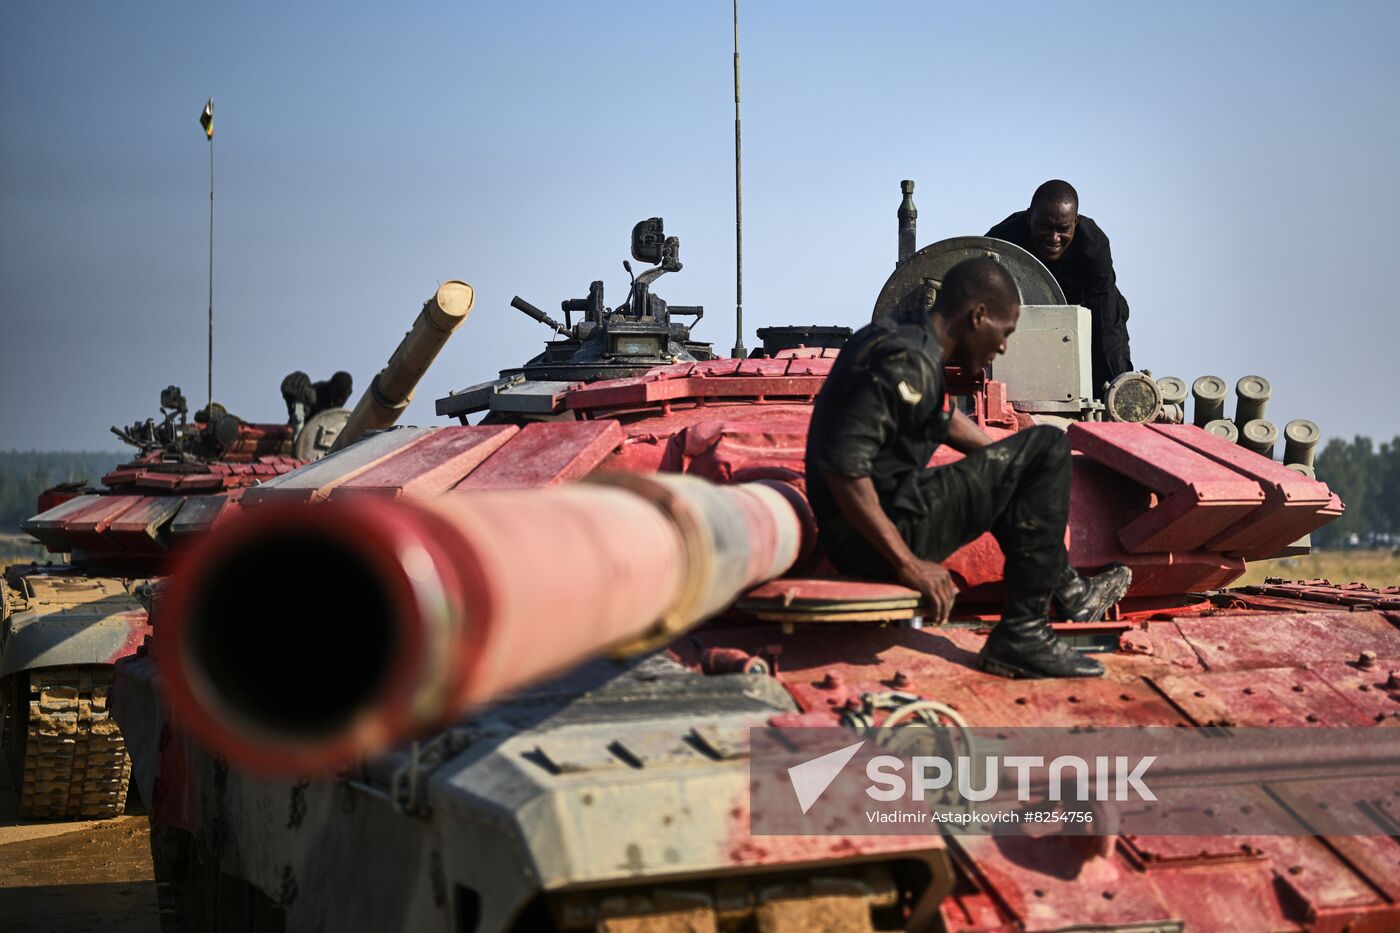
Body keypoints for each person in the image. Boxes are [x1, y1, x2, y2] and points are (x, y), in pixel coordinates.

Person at [805, 257, 1130, 679]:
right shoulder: (908, 361)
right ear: (978, 316)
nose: (1003, 348)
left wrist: (1013, 462)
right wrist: (908, 564)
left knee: (1031, 456)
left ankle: (1068, 592)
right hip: (876, 537)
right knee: (1049, 443)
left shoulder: (904, 339)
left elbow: (938, 419)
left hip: (882, 518)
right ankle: (1025, 635)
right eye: (1004, 332)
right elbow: (843, 469)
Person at [986, 180, 1132, 394]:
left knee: (1104, 380)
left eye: (1063, 229)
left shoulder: (1094, 247)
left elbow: (1107, 322)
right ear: (1029, 218)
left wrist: (1121, 384)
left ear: (1076, 222)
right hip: (1024, 320)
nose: (1053, 238)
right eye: (1045, 227)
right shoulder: (1001, 240)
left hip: (1088, 314)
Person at [281, 370, 353, 427]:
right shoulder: (318, 392)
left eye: (342, 397)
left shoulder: (346, 392)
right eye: (338, 396)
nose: (340, 400)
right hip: (305, 424)